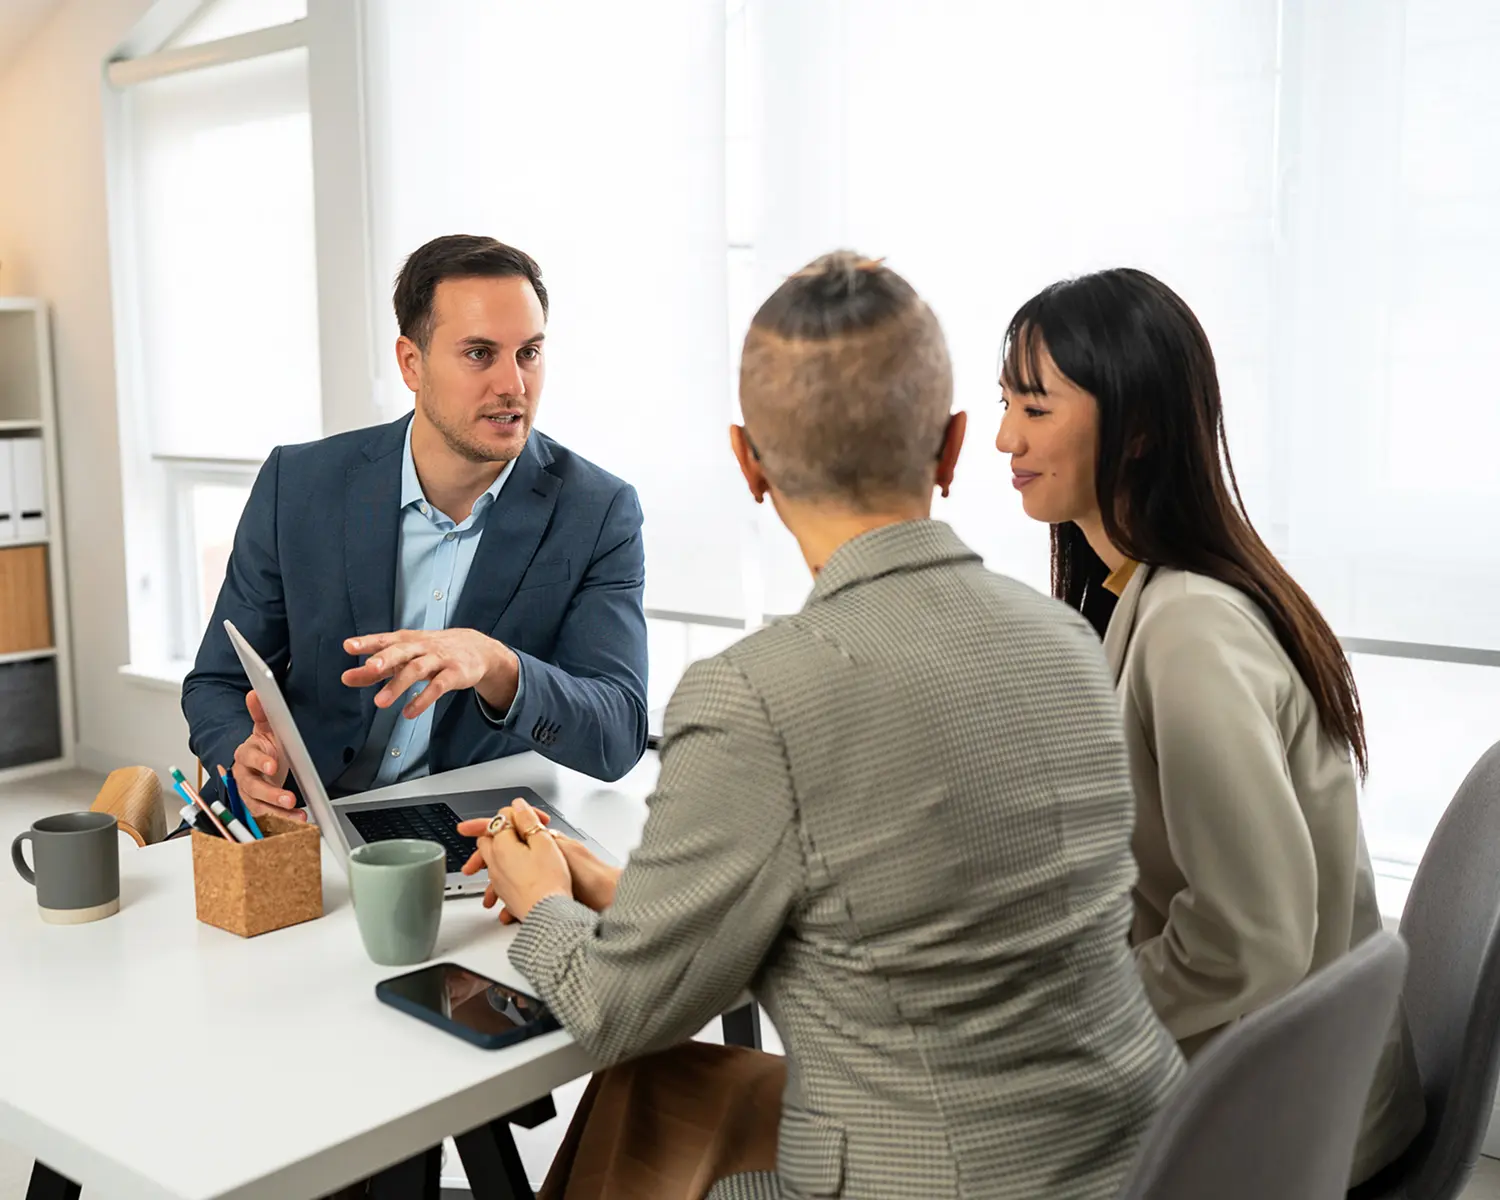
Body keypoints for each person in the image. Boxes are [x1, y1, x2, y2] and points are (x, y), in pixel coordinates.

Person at [461, 252, 1185, 1199]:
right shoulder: (1068, 640)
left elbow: (607, 1012)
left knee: (649, 1102)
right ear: (955, 444)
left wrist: (543, 897)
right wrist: (626, 888)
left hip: (931, 1182)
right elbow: (899, 916)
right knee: (662, 1107)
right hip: (1142, 1160)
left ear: (748, 462)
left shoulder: (754, 697)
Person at [995, 266, 1426, 1184]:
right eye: (1006, 406)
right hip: (1288, 1084)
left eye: (1034, 409)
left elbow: (1249, 938)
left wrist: (1068, 1018)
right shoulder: (1147, 595)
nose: (1004, 438)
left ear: (1139, 430)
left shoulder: (1191, 625)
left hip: (1280, 1123)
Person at [182, 235, 649, 825]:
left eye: (528, 352)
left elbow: (619, 734)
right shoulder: (297, 484)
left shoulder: (597, 509)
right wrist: (241, 758)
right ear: (411, 363)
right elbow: (216, 682)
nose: (514, 384)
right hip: (295, 818)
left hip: (464, 831)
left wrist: (500, 665)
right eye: (480, 353)